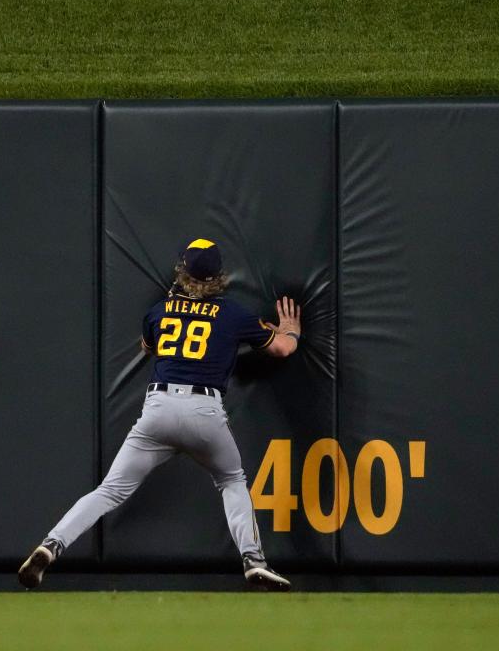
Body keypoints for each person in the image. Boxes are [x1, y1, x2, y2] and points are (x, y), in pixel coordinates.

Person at [18, 238, 303, 591]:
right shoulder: (232, 314)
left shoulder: (159, 311)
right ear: (220, 276)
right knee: (231, 481)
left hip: (159, 409)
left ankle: (51, 545)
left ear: (182, 272)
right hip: (204, 410)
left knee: (108, 490)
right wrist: (288, 330)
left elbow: (148, 346)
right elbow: (282, 348)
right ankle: (253, 561)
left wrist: (177, 309)